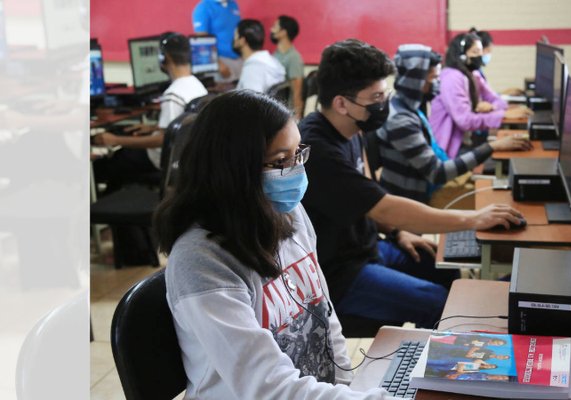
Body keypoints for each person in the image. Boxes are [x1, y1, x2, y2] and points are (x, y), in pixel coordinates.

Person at [154, 90, 393, 399]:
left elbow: (324, 313)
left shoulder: (288, 213)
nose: (296, 170)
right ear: (233, 169)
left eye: (298, 153)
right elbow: (267, 387)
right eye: (281, 161)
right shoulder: (201, 261)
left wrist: (347, 386)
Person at [300, 39, 526, 329]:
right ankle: (433, 369)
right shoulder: (317, 149)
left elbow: (368, 193)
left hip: (368, 247)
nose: (384, 104)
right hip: (339, 272)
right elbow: (383, 207)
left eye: (385, 94)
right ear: (342, 103)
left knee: (443, 271)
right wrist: (475, 218)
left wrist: (398, 233)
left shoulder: (353, 128)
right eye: (377, 97)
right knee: (438, 302)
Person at [376, 44, 530, 203]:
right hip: (412, 203)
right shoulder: (401, 120)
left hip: (424, 191)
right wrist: (492, 147)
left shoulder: (409, 108)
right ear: (416, 81)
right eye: (434, 79)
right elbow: (438, 173)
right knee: (498, 202)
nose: (438, 85)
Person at [93, 32, 208, 193]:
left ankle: (105, 206)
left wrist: (115, 139)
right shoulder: (196, 85)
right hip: (185, 158)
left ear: (164, 58)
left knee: (112, 161)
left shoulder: (173, 94)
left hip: (162, 160)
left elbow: (163, 140)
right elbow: (181, 126)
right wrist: (154, 128)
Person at [430, 32, 532, 158]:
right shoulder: (452, 78)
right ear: (462, 56)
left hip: (469, 140)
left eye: (481, 51)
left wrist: (492, 108)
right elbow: (465, 121)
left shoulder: (473, 74)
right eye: (475, 52)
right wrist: (502, 115)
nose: (480, 56)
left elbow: (496, 99)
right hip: (451, 148)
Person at [192, 0, 242, 82]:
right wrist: (218, 64)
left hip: (239, 59)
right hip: (221, 62)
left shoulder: (233, 4)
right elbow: (202, 41)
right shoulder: (203, 7)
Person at [234, 19, 286, 93]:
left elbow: (251, 102)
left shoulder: (252, 70)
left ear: (242, 40)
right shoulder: (272, 61)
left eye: (235, 35)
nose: (234, 39)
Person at [270, 15, 306, 117]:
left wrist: (297, 118)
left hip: (283, 113)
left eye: (274, 26)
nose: (271, 30)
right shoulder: (275, 54)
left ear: (283, 32)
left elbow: (297, 91)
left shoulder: (294, 57)